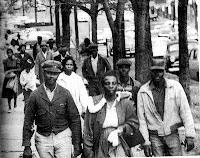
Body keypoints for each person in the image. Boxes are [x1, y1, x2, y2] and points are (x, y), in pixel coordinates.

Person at [22, 60, 82, 158]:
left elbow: (75, 119)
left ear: (58, 75)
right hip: (43, 138)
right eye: (49, 73)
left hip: (63, 137)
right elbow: (28, 121)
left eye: (55, 74)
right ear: (43, 73)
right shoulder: (35, 95)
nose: (51, 76)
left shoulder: (65, 93)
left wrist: (77, 143)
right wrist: (26, 145)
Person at [137, 58, 196, 157]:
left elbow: (185, 112)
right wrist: (146, 142)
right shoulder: (143, 92)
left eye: (160, 71)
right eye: (154, 71)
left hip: (172, 134)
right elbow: (141, 119)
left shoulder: (175, 87)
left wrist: (190, 136)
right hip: (154, 136)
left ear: (164, 71)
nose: (157, 74)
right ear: (150, 71)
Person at [83, 70, 139, 157]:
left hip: (119, 140)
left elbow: (134, 123)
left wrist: (122, 128)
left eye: (114, 83)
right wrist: (89, 153)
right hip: (101, 143)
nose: (111, 86)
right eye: (107, 83)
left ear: (117, 85)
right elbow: (88, 130)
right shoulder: (95, 103)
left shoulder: (124, 102)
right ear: (102, 86)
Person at [2, 48, 20, 113]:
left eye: (10, 53)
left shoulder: (16, 60)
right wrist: (8, 72)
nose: (9, 54)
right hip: (8, 77)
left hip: (14, 77)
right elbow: (5, 71)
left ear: (12, 53)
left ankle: (15, 102)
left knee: (14, 91)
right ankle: (9, 107)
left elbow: (19, 69)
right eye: (8, 53)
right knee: (8, 93)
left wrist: (12, 71)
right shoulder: (6, 61)